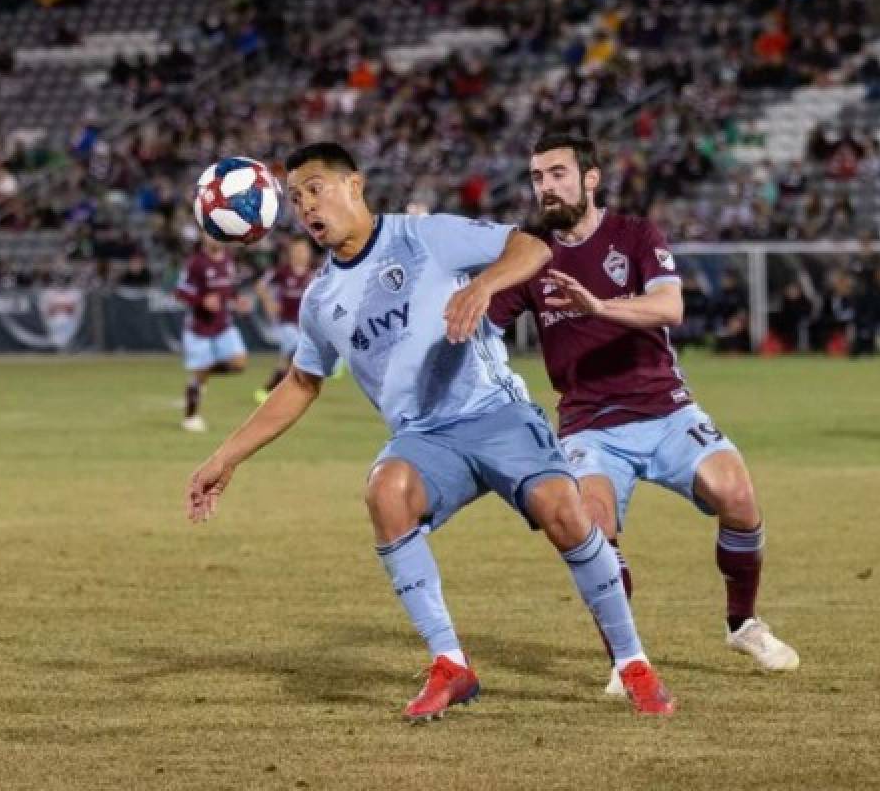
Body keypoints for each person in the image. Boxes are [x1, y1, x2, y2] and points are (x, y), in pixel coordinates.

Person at [185, 142, 676, 720]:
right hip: (426, 437)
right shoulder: (321, 300)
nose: (306, 207)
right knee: (385, 490)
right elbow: (300, 383)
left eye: (316, 188)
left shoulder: (424, 237)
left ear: (355, 186)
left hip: (496, 412)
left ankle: (633, 663)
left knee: (565, 513)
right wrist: (226, 457)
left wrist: (484, 284)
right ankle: (450, 664)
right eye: (294, 199)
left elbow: (531, 245)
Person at [488, 133, 800, 697]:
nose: (545, 186)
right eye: (536, 177)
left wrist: (598, 306)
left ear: (590, 177)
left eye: (557, 173)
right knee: (593, 527)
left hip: (666, 409)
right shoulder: (531, 254)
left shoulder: (634, 235)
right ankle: (624, 659)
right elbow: (481, 320)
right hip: (588, 425)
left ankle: (742, 624)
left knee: (737, 494)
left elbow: (670, 306)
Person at [174, 237, 252, 433]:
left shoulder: (228, 259)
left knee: (239, 363)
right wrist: (202, 301)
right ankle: (190, 418)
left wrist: (237, 300)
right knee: (198, 375)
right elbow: (179, 292)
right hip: (199, 328)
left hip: (223, 324)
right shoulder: (195, 263)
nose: (214, 238)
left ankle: (202, 374)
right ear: (203, 236)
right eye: (210, 233)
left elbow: (229, 289)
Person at [253, 234, 315, 403]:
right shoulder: (282, 271)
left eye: (304, 250)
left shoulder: (313, 275)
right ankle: (279, 390)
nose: (301, 253)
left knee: (286, 362)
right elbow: (260, 285)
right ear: (291, 252)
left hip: (304, 325)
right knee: (296, 350)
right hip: (285, 323)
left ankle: (269, 390)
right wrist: (269, 303)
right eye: (298, 250)